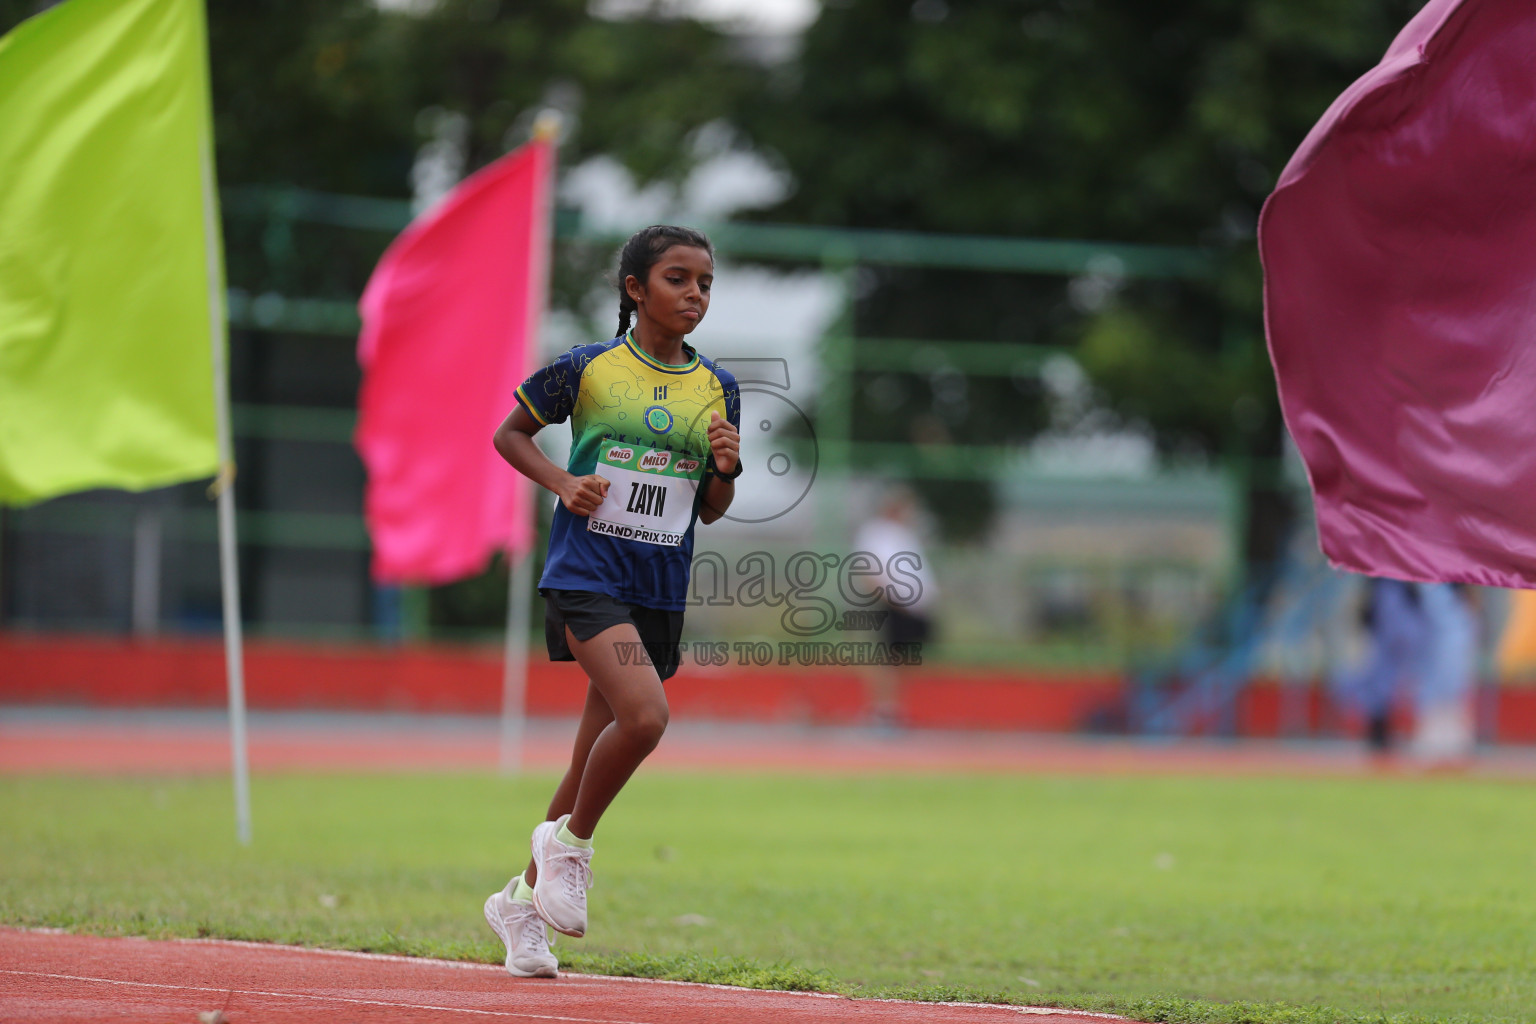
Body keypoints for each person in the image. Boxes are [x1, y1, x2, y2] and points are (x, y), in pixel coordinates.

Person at [483, 225, 741, 978]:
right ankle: (570, 847)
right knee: (646, 716)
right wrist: (565, 484)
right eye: (677, 278)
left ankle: (520, 907)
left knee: (587, 760)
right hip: (587, 574)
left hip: (658, 583)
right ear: (636, 289)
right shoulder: (587, 369)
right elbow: (510, 435)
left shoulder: (717, 386)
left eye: (705, 283)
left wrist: (724, 467)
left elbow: (713, 508)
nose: (694, 293)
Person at [851, 485, 936, 727]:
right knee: (886, 661)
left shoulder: (904, 534)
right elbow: (870, 571)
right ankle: (883, 711)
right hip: (894, 606)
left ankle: (895, 709)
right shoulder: (876, 532)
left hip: (915, 607)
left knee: (905, 662)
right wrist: (891, 599)